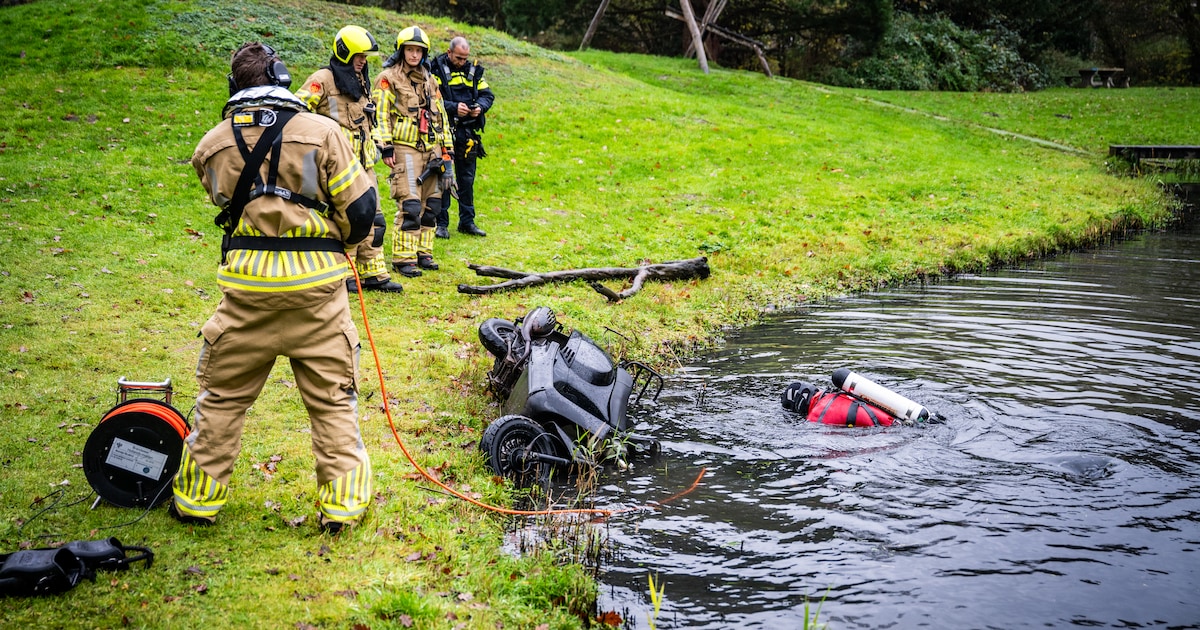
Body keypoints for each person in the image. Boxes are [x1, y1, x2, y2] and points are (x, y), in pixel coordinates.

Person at [172, 42, 375, 533]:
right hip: (318, 296)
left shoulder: (212, 144)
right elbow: (363, 211)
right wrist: (334, 237)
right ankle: (343, 512)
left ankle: (196, 503)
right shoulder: (324, 132)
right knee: (332, 402)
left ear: (233, 86)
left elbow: (224, 200)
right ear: (283, 78)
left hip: (245, 296)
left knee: (220, 399)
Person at [295, 25, 404, 293]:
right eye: (360, 56)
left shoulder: (361, 80)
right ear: (344, 52)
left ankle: (373, 274)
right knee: (344, 219)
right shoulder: (323, 79)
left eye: (365, 57)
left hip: (365, 164)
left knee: (374, 217)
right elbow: (297, 111)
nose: (363, 61)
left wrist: (383, 147)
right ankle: (344, 274)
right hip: (337, 166)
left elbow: (370, 118)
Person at [372, 26, 453, 278]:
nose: (414, 54)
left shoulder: (430, 79)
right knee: (410, 203)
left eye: (419, 50)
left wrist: (447, 149)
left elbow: (442, 116)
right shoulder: (388, 78)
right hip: (405, 149)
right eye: (410, 49)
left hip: (434, 150)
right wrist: (385, 146)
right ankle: (403, 258)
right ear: (402, 50)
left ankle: (423, 253)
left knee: (433, 205)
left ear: (424, 53)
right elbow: (380, 114)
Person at [431, 36, 494, 239]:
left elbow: (488, 95)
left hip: (467, 134)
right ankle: (441, 224)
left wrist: (479, 108)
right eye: (458, 58)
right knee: (445, 179)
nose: (462, 62)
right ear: (449, 53)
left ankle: (467, 222)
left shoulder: (473, 71)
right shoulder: (436, 69)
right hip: (445, 133)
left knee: (467, 179)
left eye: (465, 58)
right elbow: (431, 99)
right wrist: (453, 108)